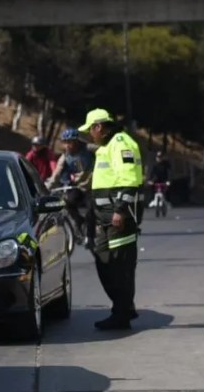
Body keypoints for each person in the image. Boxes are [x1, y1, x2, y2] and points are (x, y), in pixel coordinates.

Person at [81, 108, 143, 330]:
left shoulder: (121, 143)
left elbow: (129, 179)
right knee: (104, 260)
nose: (90, 134)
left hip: (119, 218)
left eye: (90, 130)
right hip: (105, 217)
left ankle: (122, 313)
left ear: (98, 127)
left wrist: (121, 209)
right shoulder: (107, 145)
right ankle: (124, 306)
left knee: (120, 266)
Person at [48, 129, 95, 247]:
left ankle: (90, 237)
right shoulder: (65, 156)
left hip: (93, 186)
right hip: (78, 186)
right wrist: (46, 187)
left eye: (70, 142)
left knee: (91, 210)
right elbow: (56, 174)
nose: (67, 145)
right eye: (65, 142)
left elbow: (105, 152)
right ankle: (78, 220)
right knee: (67, 202)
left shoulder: (89, 149)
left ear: (77, 142)